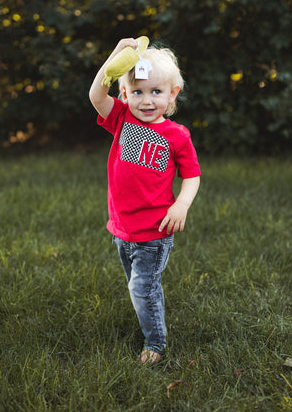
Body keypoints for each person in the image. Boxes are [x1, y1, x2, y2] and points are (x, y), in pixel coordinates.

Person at [89, 38, 201, 364]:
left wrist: (181, 205)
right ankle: (148, 318)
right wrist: (114, 59)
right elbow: (96, 95)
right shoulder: (122, 119)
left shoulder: (176, 135)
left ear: (172, 93)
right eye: (137, 92)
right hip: (122, 226)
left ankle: (155, 343)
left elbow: (191, 175)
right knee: (137, 286)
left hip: (154, 229)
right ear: (125, 94)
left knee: (144, 289)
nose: (146, 100)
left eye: (156, 92)